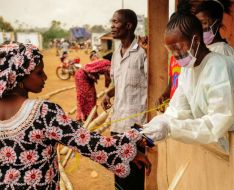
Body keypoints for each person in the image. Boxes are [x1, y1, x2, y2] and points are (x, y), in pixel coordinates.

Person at [0, 41, 151, 189]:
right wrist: (128, 147)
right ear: (18, 75)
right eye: (39, 73)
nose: (45, 77)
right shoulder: (43, 113)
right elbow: (89, 143)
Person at [141, 0, 234, 147]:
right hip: (217, 148)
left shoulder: (221, 67)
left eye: (178, 47)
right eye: (171, 50)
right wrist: (158, 123)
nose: (175, 54)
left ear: (195, 40)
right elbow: (178, 110)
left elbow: (217, 123)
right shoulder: (188, 71)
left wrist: (171, 128)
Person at [156, 0, 234, 111]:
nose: (200, 27)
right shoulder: (195, 55)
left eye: (204, 23)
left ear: (217, 23)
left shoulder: (224, 53)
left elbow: (226, 105)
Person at [101, 9, 147, 190]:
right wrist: (108, 94)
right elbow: (119, 83)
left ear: (129, 26)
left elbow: (152, 86)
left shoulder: (143, 52)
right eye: (111, 22)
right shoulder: (115, 54)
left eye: (115, 22)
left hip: (136, 126)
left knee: (134, 180)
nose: (111, 26)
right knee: (120, 176)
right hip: (117, 124)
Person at [75, 51, 111, 121]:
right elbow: (108, 79)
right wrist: (107, 89)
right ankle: (85, 117)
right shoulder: (109, 64)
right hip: (82, 76)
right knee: (87, 96)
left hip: (84, 76)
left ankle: (88, 116)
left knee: (91, 95)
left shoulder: (105, 62)